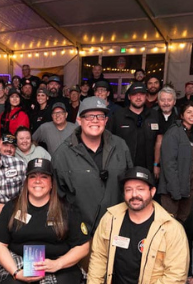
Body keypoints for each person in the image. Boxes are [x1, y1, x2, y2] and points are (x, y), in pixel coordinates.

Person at [52, 96, 133, 230]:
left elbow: (130, 185)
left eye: (100, 116)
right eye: (89, 116)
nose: (95, 121)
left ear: (106, 120)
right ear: (79, 120)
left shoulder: (120, 146)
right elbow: (57, 198)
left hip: (117, 229)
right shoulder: (63, 154)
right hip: (79, 232)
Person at [157, 101, 193, 221]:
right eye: (189, 112)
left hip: (188, 185)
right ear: (182, 115)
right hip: (173, 188)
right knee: (169, 221)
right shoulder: (173, 133)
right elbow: (169, 164)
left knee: (183, 219)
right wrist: (175, 191)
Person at [110, 82, 160, 170]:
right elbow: (109, 142)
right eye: (134, 94)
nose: (138, 97)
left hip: (148, 168)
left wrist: (157, 164)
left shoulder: (155, 115)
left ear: (146, 96)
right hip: (123, 167)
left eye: (141, 94)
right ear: (129, 97)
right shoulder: (117, 116)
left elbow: (159, 142)